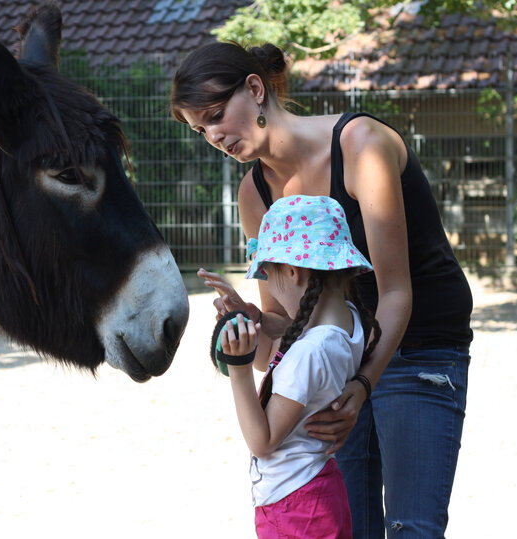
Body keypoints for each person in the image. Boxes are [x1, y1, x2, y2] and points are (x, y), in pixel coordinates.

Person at [172, 41, 472, 538]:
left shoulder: (360, 146)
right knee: (353, 528)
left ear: (254, 88)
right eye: (200, 128)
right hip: (338, 356)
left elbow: (395, 292)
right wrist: (251, 321)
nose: (214, 135)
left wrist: (361, 386)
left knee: (410, 528)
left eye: (216, 114)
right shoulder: (255, 193)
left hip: (419, 343)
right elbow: (288, 332)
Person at [214, 194, 379, 538]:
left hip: (296, 510)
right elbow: (273, 358)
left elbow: (263, 440)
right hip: (316, 495)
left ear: (293, 272)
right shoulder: (347, 324)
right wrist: (248, 319)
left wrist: (239, 369)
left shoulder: (311, 351)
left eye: (270, 279)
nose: (272, 291)